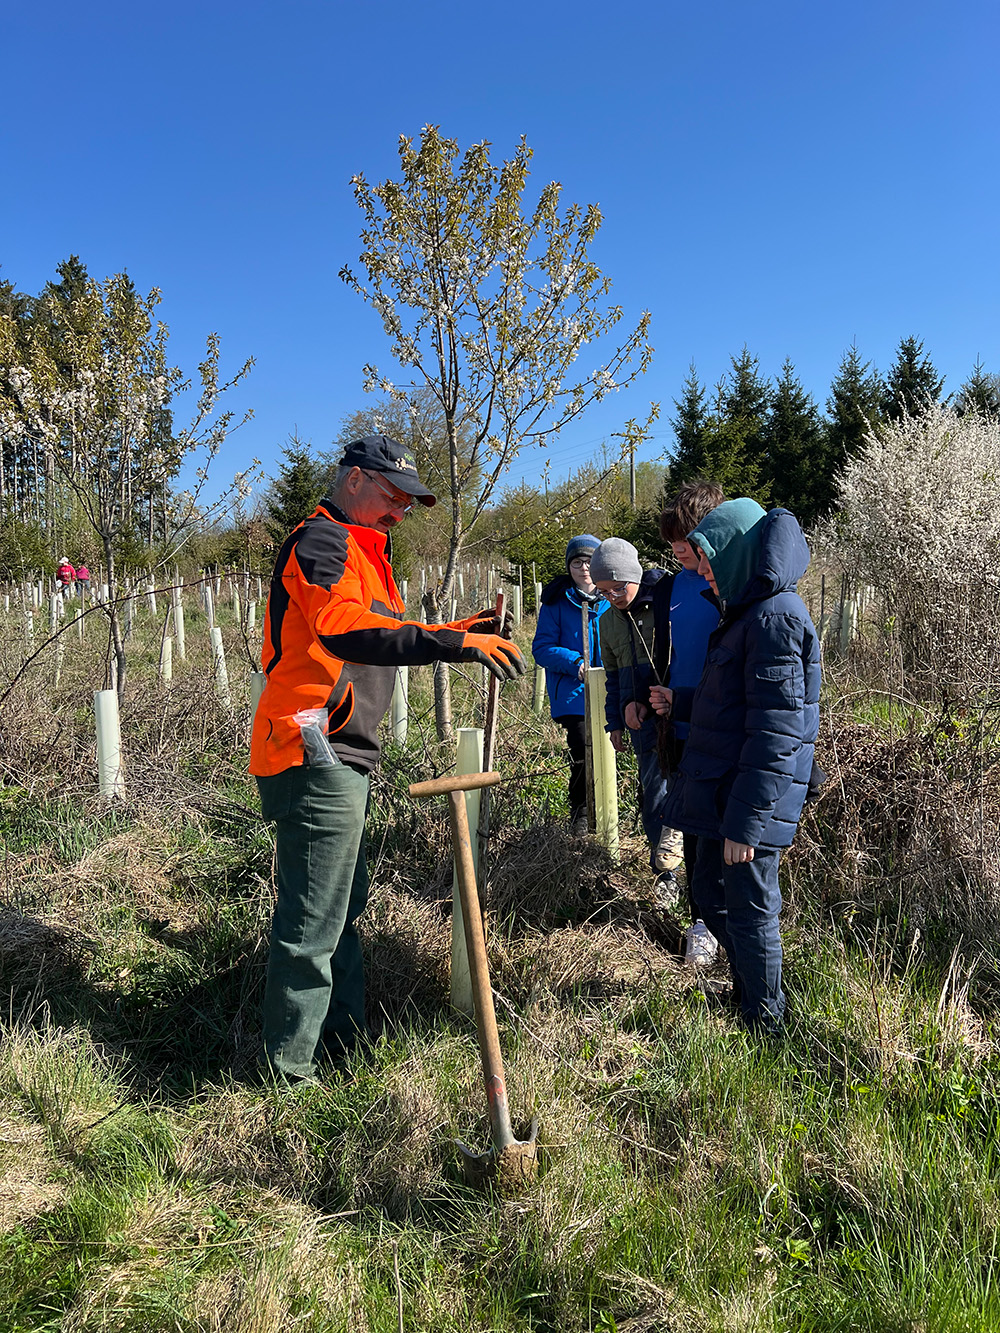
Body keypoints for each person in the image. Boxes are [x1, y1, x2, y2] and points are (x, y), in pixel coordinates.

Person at [250, 434, 525, 1084]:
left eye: (408, 502)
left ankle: (342, 1049)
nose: (401, 511)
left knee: (339, 912)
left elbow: (387, 632)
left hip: (340, 752)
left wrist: (462, 630)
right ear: (354, 479)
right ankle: (287, 1077)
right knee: (313, 923)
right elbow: (344, 628)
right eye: (393, 496)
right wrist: (450, 646)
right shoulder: (323, 542)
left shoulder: (363, 549)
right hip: (313, 748)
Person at [658, 499, 821, 1034]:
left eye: (709, 559)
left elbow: (776, 733)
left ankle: (766, 1021)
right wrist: (682, 703)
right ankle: (750, 989)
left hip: (748, 799)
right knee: (709, 894)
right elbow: (735, 704)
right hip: (726, 788)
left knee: (750, 910)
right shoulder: (749, 613)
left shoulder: (775, 618)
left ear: (736, 552)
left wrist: (747, 822)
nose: (703, 572)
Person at [648, 481, 726, 913]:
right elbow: (662, 654)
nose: (677, 548)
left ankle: (718, 923)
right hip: (677, 726)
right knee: (692, 832)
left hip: (721, 726)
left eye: (686, 538)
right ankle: (699, 919)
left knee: (720, 835)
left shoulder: (731, 586)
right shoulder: (668, 589)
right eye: (672, 539)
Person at [589, 538, 678, 874]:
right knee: (653, 798)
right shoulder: (606, 622)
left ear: (634, 576)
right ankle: (665, 876)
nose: (612, 597)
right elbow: (613, 677)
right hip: (641, 725)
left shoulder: (666, 602)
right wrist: (616, 719)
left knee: (685, 791)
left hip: (677, 715)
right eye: (603, 592)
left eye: (618, 587)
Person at [531, 536, 609, 837]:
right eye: (577, 562)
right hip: (573, 693)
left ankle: (610, 812)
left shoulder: (612, 594)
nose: (584, 568)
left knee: (610, 750)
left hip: (611, 688)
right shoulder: (556, 602)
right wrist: (575, 662)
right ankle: (581, 813)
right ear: (569, 566)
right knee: (583, 749)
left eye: (589, 561)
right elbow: (542, 648)